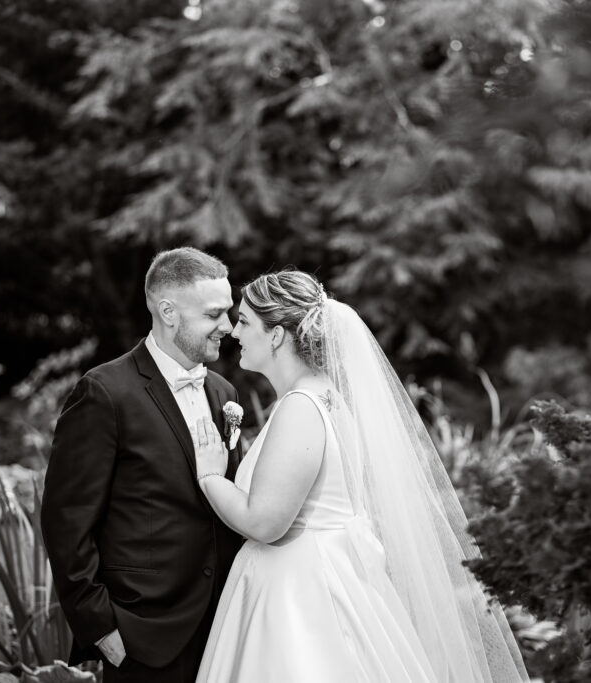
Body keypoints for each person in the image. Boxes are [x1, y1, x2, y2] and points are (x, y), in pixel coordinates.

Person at [191, 270, 529, 682]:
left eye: (244, 321)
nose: (233, 332)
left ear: (277, 335)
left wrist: (210, 478)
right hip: (326, 577)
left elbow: (265, 523)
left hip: (299, 601)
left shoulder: (301, 406)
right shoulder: (327, 396)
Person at [41, 247, 244, 683]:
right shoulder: (104, 393)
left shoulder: (224, 393)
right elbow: (66, 521)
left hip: (221, 625)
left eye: (227, 313)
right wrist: (101, 627)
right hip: (141, 634)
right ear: (169, 312)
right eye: (214, 314)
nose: (227, 327)